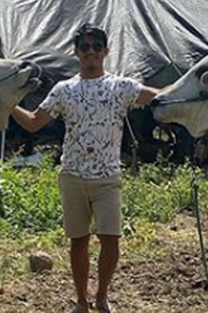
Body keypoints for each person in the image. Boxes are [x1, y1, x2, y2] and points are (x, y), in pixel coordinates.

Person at [11, 24, 160, 313]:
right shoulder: (64, 90)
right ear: (77, 52)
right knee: (78, 241)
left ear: (106, 51)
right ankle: (81, 301)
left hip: (107, 177)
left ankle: (102, 296)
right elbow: (32, 122)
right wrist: (6, 104)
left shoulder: (122, 87)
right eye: (85, 47)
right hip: (73, 176)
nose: (90, 52)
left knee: (111, 240)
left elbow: (159, 98)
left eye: (96, 46)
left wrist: (196, 85)